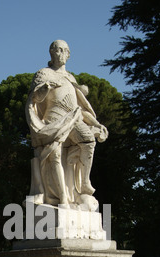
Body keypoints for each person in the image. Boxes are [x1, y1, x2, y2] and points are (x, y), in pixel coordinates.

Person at [25, 40, 108, 210]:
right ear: (51, 52)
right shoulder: (44, 74)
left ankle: (84, 183)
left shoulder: (70, 78)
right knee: (54, 154)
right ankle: (62, 198)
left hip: (74, 118)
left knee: (88, 142)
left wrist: (96, 124)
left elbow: (80, 108)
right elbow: (34, 100)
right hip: (53, 118)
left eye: (65, 51)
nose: (62, 54)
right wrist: (45, 88)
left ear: (69, 55)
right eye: (58, 50)